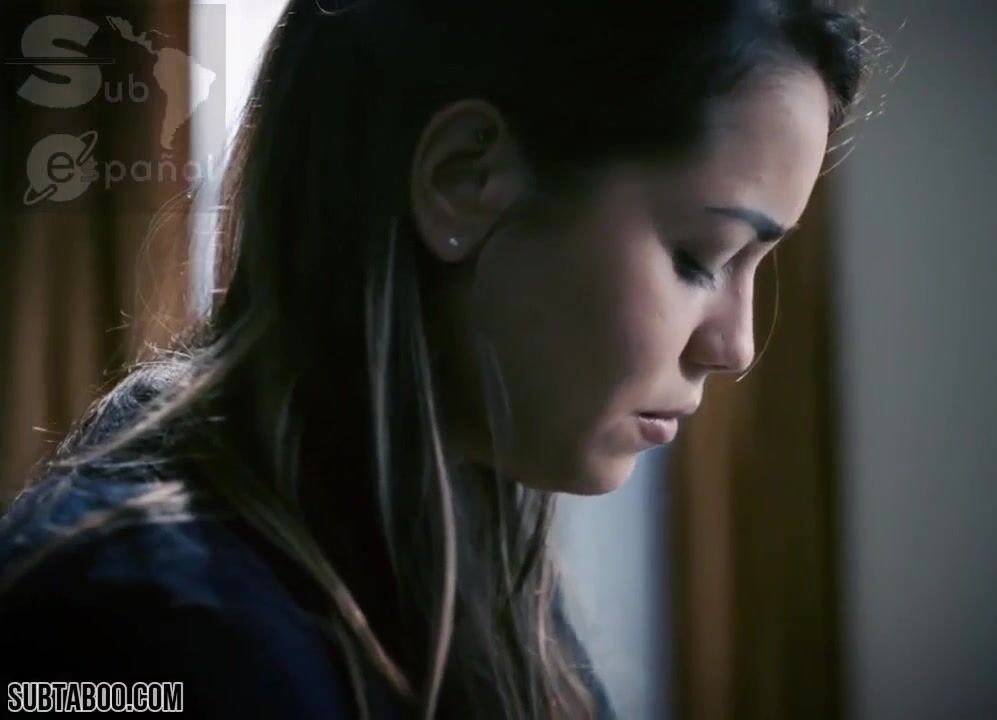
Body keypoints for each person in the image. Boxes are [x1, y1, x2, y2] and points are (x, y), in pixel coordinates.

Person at [0, 0, 870, 717]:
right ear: (463, 179)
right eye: (699, 255)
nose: (735, 346)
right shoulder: (137, 632)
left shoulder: (481, 587)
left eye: (758, 265)